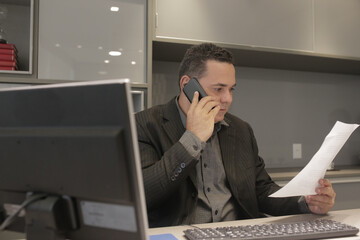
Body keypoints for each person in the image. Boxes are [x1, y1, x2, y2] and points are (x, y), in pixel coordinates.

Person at [135, 43, 336, 228]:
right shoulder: (145, 124)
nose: (227, 99)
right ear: (187, 85)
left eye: (231, 89)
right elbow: (144, 193)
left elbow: (261, 191)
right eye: (218, 89)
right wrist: (192, 139)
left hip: (240, 232)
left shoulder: (240, 130)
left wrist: (306, 202)